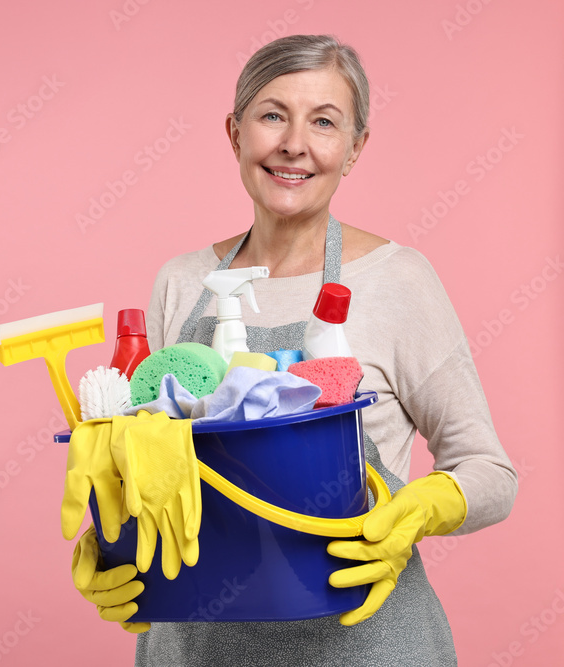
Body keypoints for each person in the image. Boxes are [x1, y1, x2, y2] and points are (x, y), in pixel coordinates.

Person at [70, 34, 518, 666]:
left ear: (356, 148)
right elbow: (153, 461)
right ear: (234, 133)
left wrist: (422, 508)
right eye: (273, 115)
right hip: (196, 649)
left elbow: (491, 473)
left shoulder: (398, 282)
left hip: (366, 646)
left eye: (325, 122)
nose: (294, 144)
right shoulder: (183, 282)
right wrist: (112, 538)